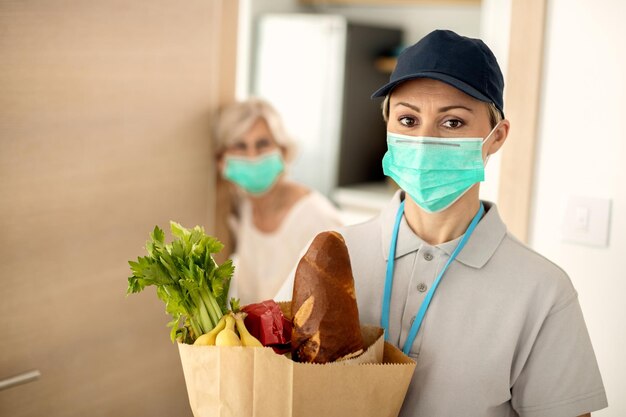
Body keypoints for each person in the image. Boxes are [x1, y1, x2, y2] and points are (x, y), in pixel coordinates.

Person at [277, 30, 607, 416]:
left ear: (496, 137)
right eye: (407, 119)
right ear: (387, 128)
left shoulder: (542, 291)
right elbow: (270, 380)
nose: (424, 140)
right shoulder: (330, 259)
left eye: (452, 123)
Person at [213, 98, 343, 305]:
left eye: (262, 144)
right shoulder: (243, 208)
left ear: (283, 151)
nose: (252, 156)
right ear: (222, 161)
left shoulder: (317, 218)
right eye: (240, 146)